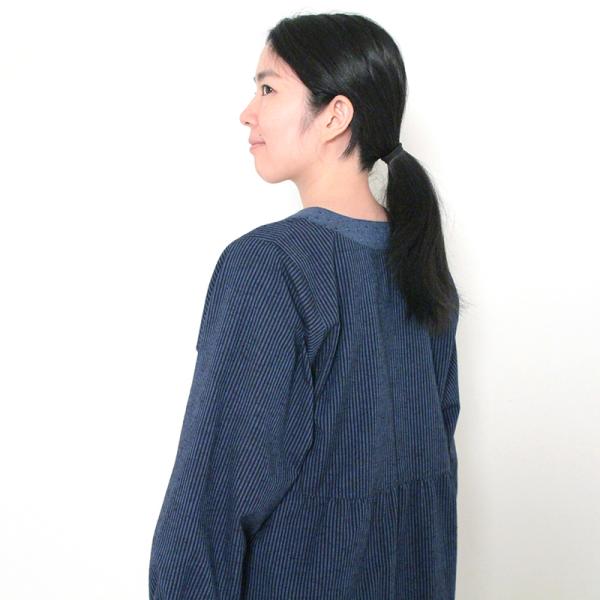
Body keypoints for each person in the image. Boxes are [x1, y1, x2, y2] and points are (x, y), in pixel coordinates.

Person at [149, 12, 463, 600]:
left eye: (268, 89)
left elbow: (211, 501)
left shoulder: (269, 266)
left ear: (335, 116)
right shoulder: (420, 265)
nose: (248, 112)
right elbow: (431, 487)